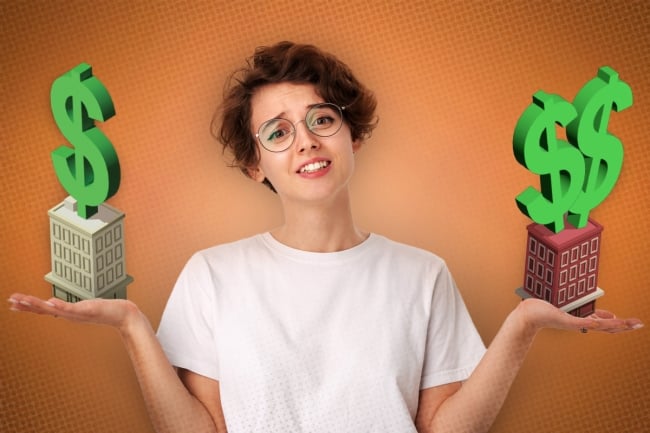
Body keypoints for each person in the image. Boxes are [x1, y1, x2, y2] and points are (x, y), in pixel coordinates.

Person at [8, 41, 643, 433]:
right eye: (277, 132)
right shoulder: (213, 274)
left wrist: (524, 325)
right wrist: (131, 327)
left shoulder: (422, 275)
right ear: (256, 164)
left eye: (321, 119)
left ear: (352, 135)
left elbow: (441, 430)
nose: (307, 140)